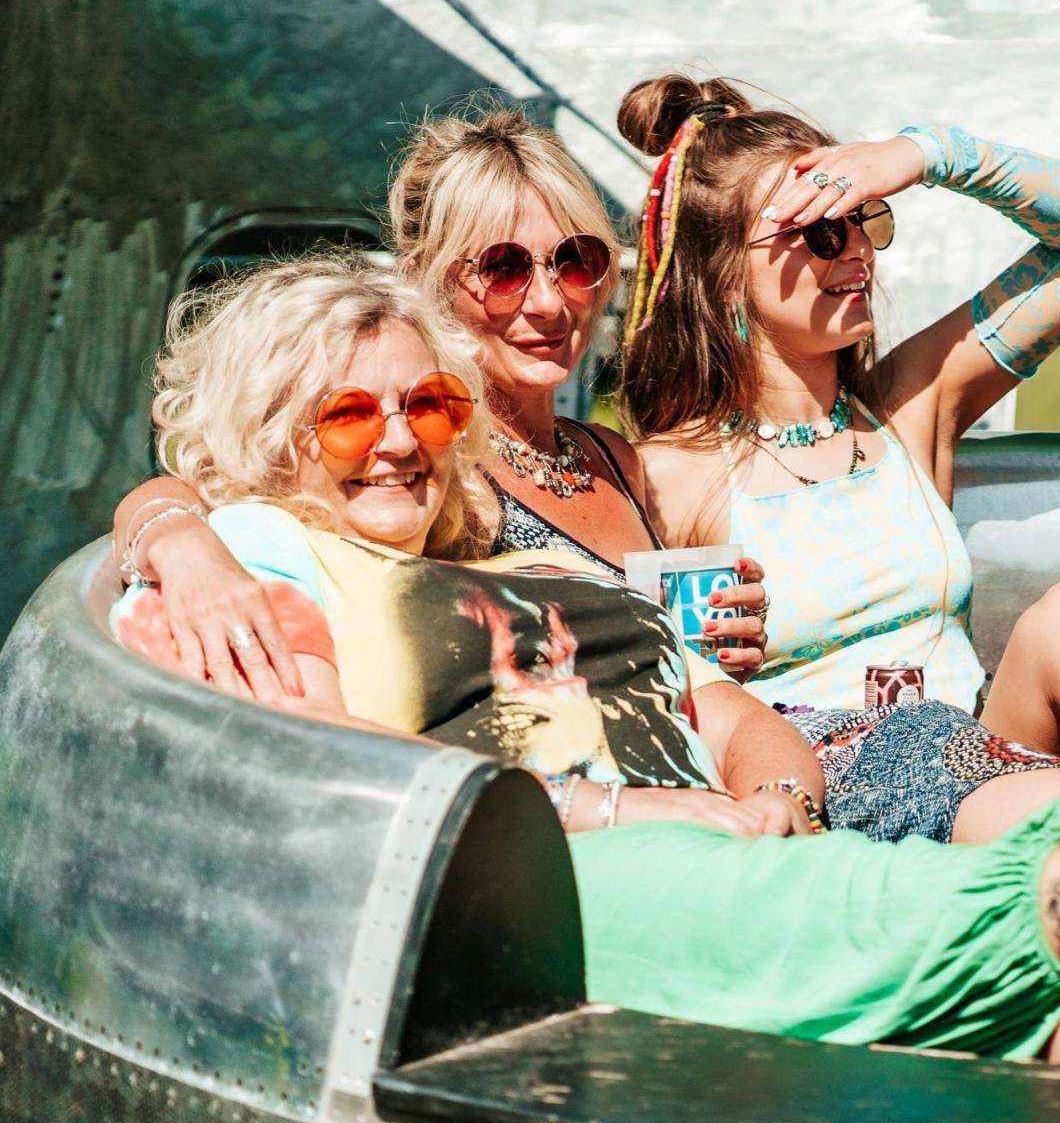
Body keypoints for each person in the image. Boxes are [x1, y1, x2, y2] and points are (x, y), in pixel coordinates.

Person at [109, 255, 1060, 1077]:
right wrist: (645, 809)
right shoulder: (264, 545)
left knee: (997, 937)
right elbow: (331, 768)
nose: (403, 437)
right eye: (353, 409)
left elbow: (728, 703)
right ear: (274, 425)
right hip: (554, 878)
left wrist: (771, 793)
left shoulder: (521, 560)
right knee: (942, 908)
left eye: (427, 403)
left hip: (740, 839)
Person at [613, 76, 1060, 846]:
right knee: (944, 757)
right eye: (821, 230)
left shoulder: (908, 409)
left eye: (864, 216)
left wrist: (929, 154)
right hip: (835, 797)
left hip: (983, 752)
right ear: (726, 273)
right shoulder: (663, 473)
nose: (860, 249)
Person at [109, 106, 771, 699]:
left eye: (575, 260)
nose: (547, 301)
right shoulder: (426, 466)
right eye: (504, 267)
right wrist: (182, 543)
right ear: (424, 276)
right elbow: (198, 490)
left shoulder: (610, 455)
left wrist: (709, 649)